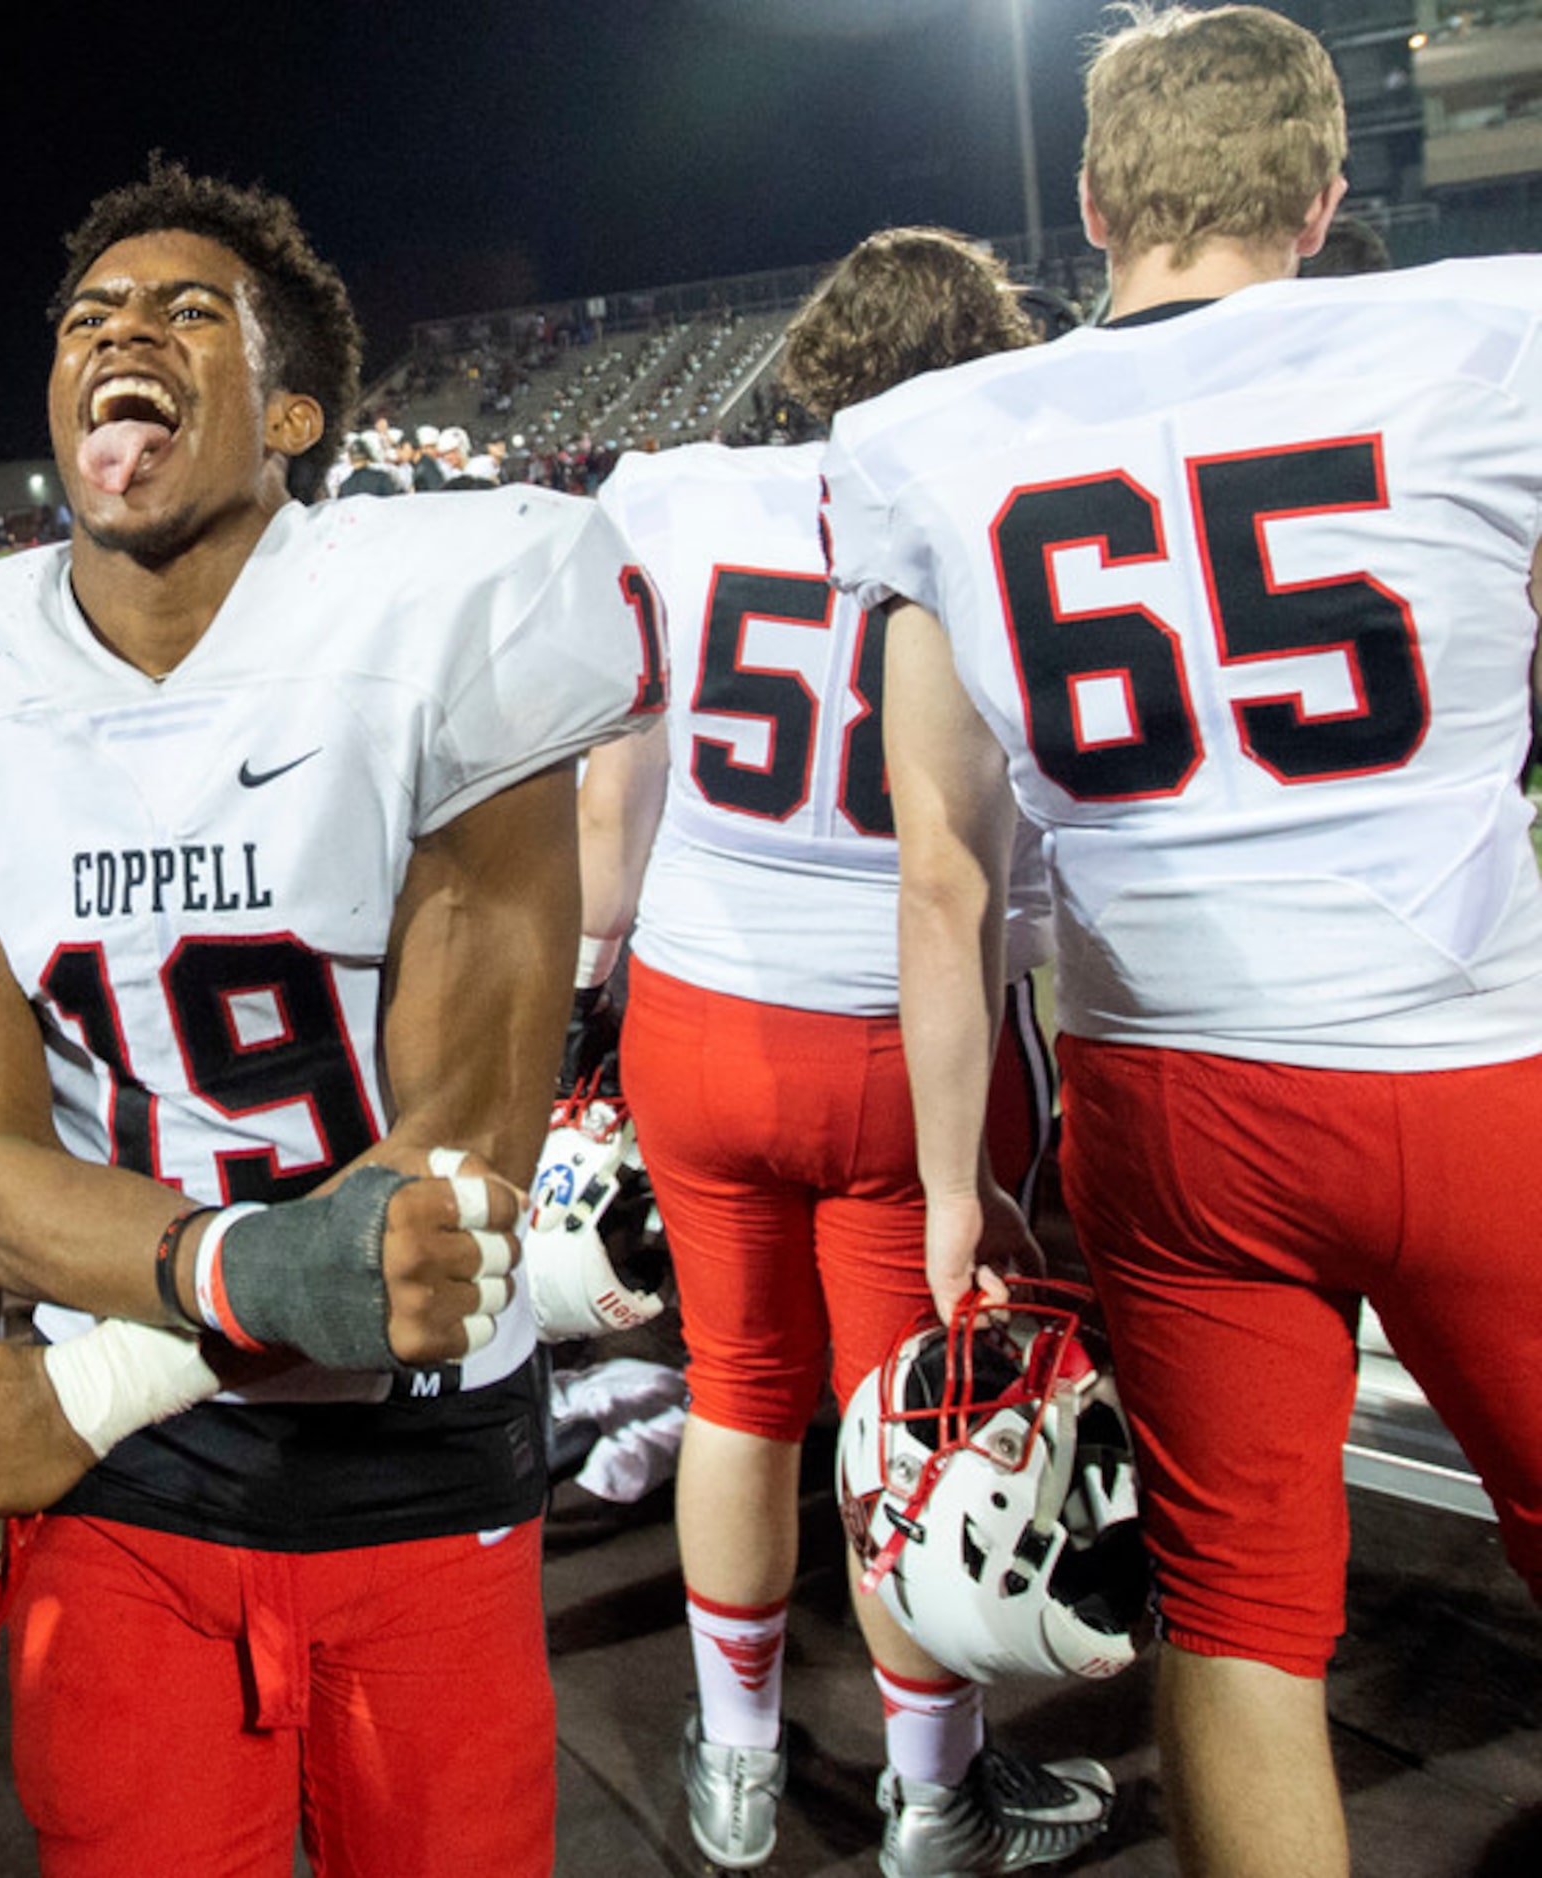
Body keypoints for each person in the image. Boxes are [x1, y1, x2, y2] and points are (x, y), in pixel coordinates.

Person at [0, 159, 656, 1875]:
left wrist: (102, 1377)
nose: (126, 330)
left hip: (403, 1463)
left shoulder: (438, 606)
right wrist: (205, 1302)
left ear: (290, 411)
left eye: (190, 310)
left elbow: (454, 1181)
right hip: (131, 1496)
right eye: (90, 316)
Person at [817, 10, 1542, 1875]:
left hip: (1172, 1086)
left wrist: (947, 1185)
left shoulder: (929, 438)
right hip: (1473, 1060)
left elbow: (941, 870)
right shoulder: (1481, 335)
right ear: (1318, 198)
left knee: (1236, 1614)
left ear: (1085, 196)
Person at [582, 227, 1109, 1876]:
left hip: (696, 1007)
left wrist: (589, 974)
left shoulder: (670, 496)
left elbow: (606, 810)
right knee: (909, 1426)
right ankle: (928, 1793)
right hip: (899, 1033)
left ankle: (735, 1764)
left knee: (736, 1393)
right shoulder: (990, 506)